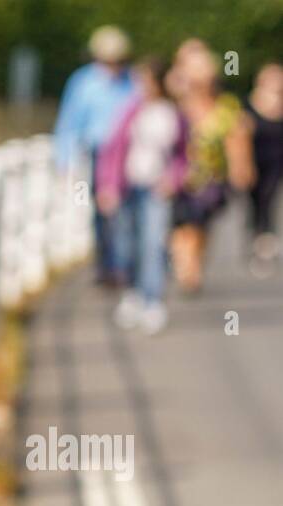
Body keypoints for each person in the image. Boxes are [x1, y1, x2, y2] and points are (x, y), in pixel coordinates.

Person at [96, 57, 187, 334]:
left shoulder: (172, 113)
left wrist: (174, 180)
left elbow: (183, 154)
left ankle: (152, 300)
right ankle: (132, 292)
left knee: (153, 243)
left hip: (155, 188)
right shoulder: (131, 111)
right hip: (128, 185)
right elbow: (113, 150)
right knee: (126, 242)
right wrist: (107, 186)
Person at [53, 25, 137, 284]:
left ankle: (124, 263)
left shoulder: (132, 82)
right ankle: (108, 263)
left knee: (127, 209)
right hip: (98, 154)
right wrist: (64, 161)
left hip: (127, 154)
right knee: (102, 211)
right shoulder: (84, 82)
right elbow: (69, 123)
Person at [168, 44, 255, 293]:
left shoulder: (225, 106)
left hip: (211, 178)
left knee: (200, 224)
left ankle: (192, 265)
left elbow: (236, 137)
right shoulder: (176, 104)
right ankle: (186, 267)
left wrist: (242, 168)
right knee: (181, 223)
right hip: (179, 177)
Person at [246, 62, 283, 266]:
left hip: (276, 162)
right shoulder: (250, 103)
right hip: (255, 160)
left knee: (269, 197)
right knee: (254, 200)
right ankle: (255, 234)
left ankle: (266, 237)